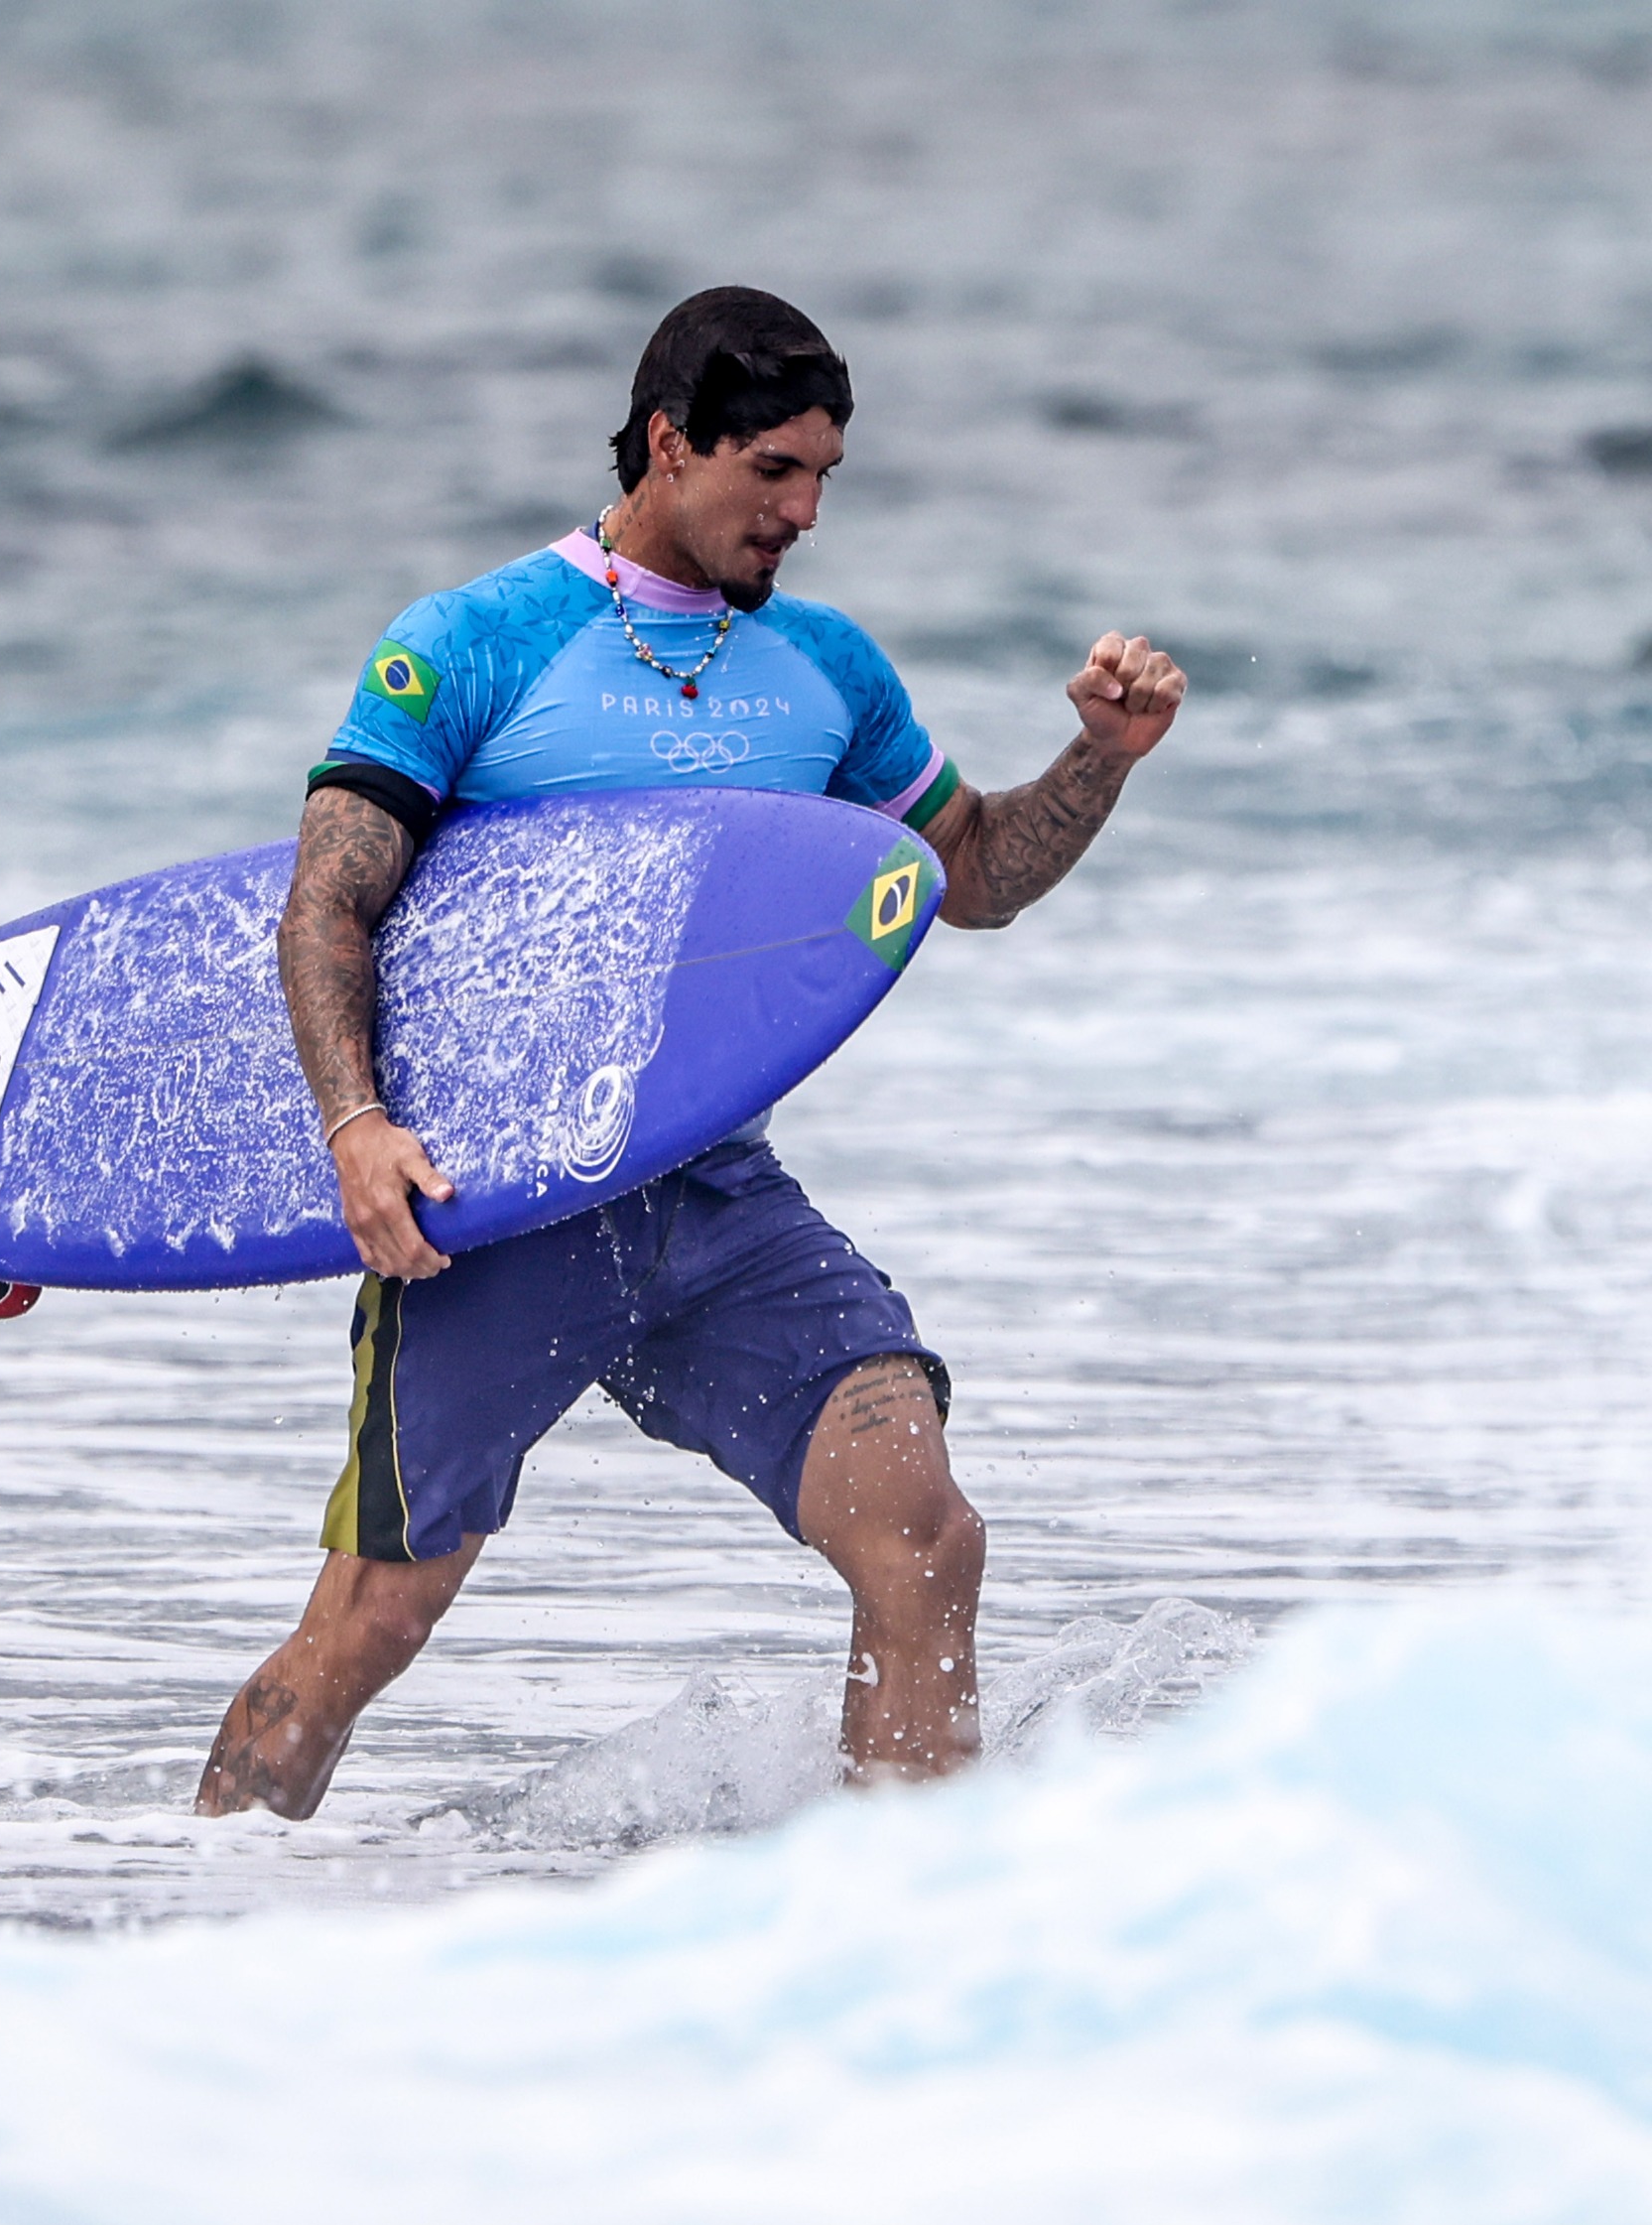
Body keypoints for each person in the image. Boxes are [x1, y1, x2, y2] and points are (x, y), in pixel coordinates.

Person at [196, 286, 1184, 1819]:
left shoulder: (828, 673)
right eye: (772, 471)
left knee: (925, 1532)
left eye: (822, 479)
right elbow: (330, 898)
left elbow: (971, 876)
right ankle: (189, 1909)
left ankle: (912, 1925)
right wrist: (357, 1127)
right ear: (669, 442)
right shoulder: (474, 643)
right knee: (371, 1626)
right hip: (498, 1207)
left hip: (713, 1197)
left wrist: (1099, 764)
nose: (801, 512)